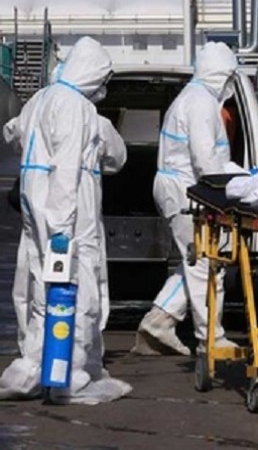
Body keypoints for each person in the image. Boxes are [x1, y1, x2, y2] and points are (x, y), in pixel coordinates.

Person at [0, 36, 132, 403]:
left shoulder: (41, 98)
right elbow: (69, 168)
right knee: (77, 290)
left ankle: (30, 369)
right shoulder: (77, 108)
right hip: (70, 220)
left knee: (37, 292)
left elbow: (12, 132)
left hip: (33, 213)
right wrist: (61, 229)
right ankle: (69, 375)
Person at [132, 41, 239, 356]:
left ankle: (159, 321)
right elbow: (205, 158)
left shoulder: (192, 97)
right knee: (206, 262)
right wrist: (226, 192)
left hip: (177, 187)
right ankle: (212, 338)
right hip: (187, 190)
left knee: (194, 258)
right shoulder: (202, 103)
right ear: (222, 73)